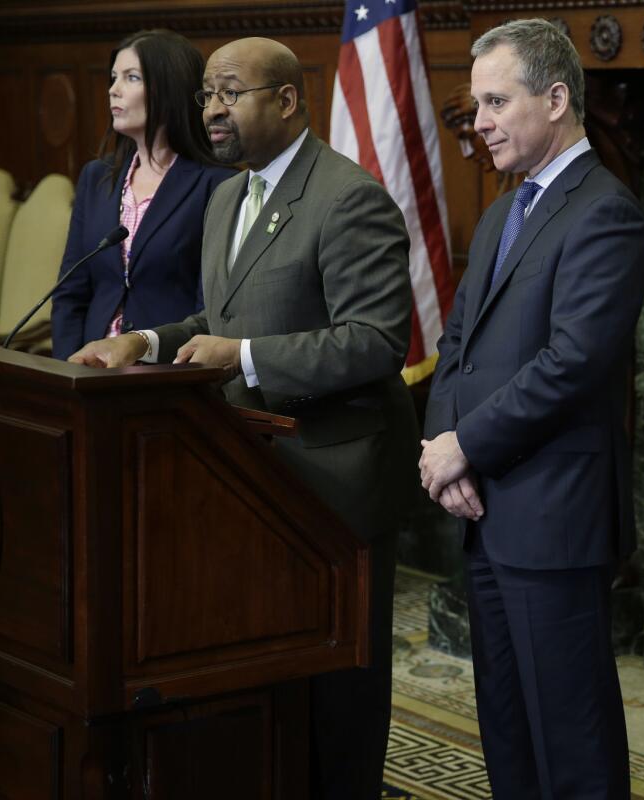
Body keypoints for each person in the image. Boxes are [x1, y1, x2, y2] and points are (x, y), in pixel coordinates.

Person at [68, 37, 417, 800]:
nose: (211, 111)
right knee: (274, 684)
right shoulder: (228, 195)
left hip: (335, 481)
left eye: (229, 93)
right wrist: (149, 338)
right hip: (252, 475)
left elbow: (376, 341)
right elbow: (221, 317)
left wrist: (245, 358)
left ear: (287, 100)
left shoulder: (347, 197)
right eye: (204, 96)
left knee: (339, 698)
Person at [419, 19, 644, 799]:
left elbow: (572, 365)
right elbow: (457, 346)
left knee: (571, 745)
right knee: (509, 735)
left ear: (555, 99)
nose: (478, 121)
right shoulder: (500, 212)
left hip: (553, 520)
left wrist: (466, 447)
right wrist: (444, 450)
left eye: (495, 101)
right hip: (485, 511)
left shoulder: (604, 214)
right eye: (477, 103)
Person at [51, 29, 236, 360]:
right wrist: (69, 370)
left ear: (170, 90)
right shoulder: (96, 178)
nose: (113, 90)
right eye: (113, 78)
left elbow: (210, 309)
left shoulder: (217, 185)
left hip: (166, 375)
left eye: (131, 78)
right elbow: (70, 292)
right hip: (88, 368)